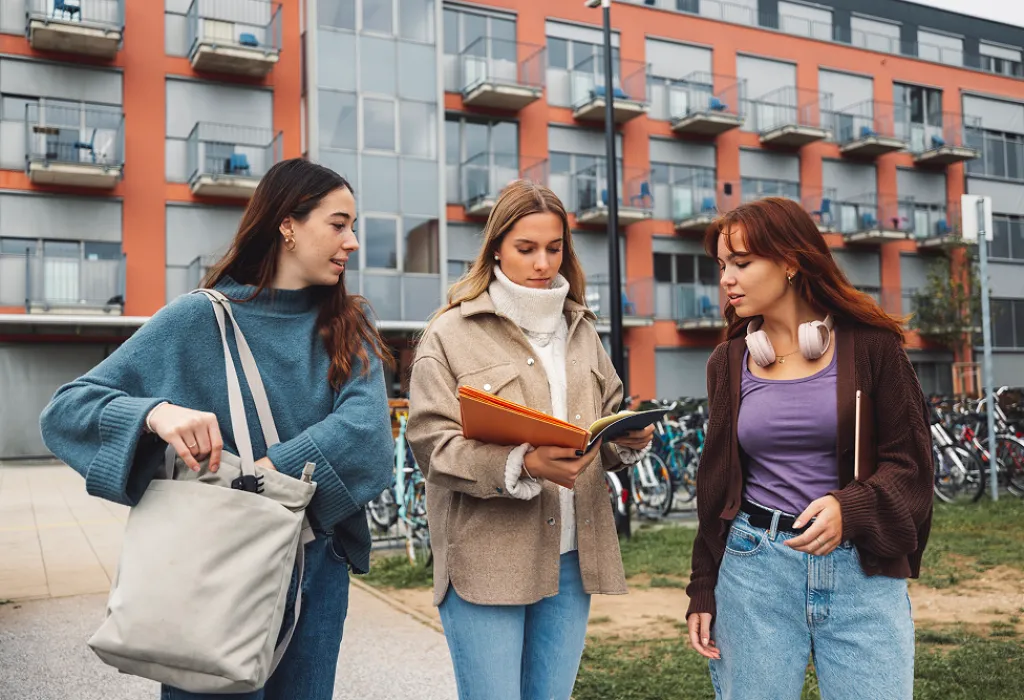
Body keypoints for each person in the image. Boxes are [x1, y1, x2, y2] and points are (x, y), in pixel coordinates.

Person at [39, 159, 395, 700]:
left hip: (314, 570)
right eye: (339, 224)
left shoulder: (349, 328)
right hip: (212, 569)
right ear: (288, 224)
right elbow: (66, 411)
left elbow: (368, 436)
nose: (354, 242)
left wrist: (265, 481)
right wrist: (156, 414)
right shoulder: (197, 320)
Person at [406, 180, 654, 700]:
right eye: (526, 248)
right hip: (485, 561)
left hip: (571, 559)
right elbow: (432, 446)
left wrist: (626, 439)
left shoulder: (582, 330)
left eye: (555, 248)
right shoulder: (449, 334)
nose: (543, 263)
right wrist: (524, 463)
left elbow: (600, 426)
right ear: (496, 246)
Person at [685, 197, 934, 700]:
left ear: (790, 262)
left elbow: (912, 468)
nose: (726, 279)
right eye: (722, 267)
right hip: (754, 572)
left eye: (742, 263)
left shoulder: (872, 347)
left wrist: (851, 508)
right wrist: (703, 587)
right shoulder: (728, 362)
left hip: (861, 571)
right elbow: (713, 487)